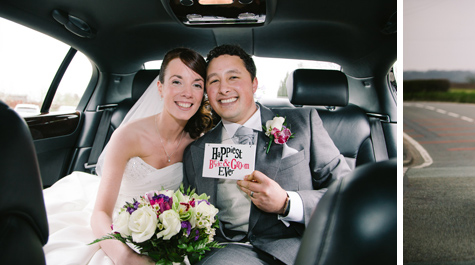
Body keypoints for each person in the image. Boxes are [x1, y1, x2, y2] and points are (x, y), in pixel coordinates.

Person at [42, 47, 215, 265]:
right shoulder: (127, 136)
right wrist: (127, 257)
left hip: (164, 233)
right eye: (177, 81)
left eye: (197, 84)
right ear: (160, 88)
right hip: (113, 224)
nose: (187, 93)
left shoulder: (198, 142)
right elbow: (100, 214)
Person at [182, 44, 351, 265]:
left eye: (233, 77)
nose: (223, 88)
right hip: (225, 254)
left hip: (295, 250)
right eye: (214, 81)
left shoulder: (304, 124)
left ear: (254, 84)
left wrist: (288, 203)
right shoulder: (196, 151)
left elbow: (347, 191)